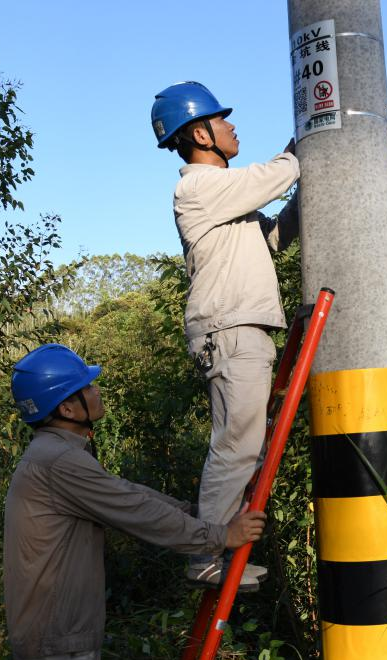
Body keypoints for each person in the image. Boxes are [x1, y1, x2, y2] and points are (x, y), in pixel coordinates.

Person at [4, 343, 266, 660]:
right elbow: (135, 512)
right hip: (57, 636)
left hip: (55, 632)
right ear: (68, 409)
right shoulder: (58, 463)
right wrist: (217, 535)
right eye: (88, 387)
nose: (98, 391)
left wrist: (192, 511)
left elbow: (126, 494)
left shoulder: (59, 456)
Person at [150, 81, 300, 590]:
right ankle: (208, 554)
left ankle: (213, 550)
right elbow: (271, 177)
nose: (232, 126)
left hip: (240, 327)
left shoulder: (224, 197)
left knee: (244, 445)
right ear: (199, 132)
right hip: (230, 329)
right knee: (236, 446)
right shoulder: (197, 187)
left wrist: (307, 195)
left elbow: (272, 237)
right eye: (222, 120)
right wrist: (306, 145)